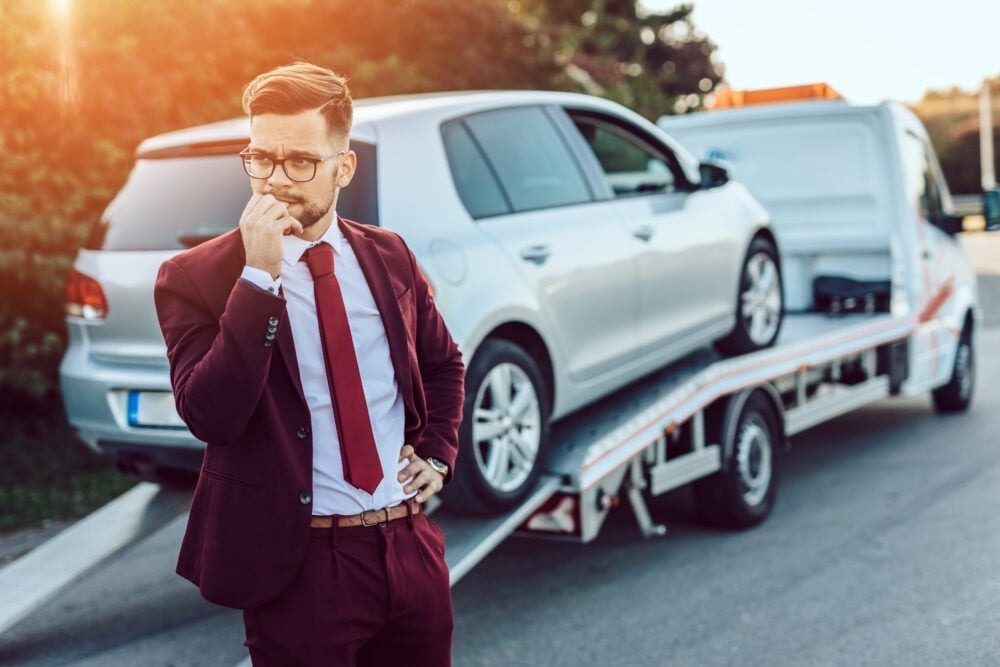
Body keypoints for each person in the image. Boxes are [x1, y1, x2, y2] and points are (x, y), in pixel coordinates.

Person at [153, 61, 465, 666]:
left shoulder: (389, 255)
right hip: (299, 569)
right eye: (261, 158)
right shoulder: (197, 278)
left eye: (300, 161)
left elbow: (443, 362)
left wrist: (437, 454)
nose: (276, 180)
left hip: (407, 546)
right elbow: (210, 415)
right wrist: (259, 277)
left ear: (343, 166)